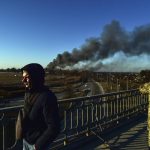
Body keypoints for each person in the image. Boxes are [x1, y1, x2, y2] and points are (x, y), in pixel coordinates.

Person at [12, 63, 60, 150]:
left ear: (36, 78)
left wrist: (38, 145)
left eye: (27, 77)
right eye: (23, 77)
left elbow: (54, 127)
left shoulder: (48, 97)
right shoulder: (29, 92)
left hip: (36, 145)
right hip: (26, 140)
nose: (23, 80)